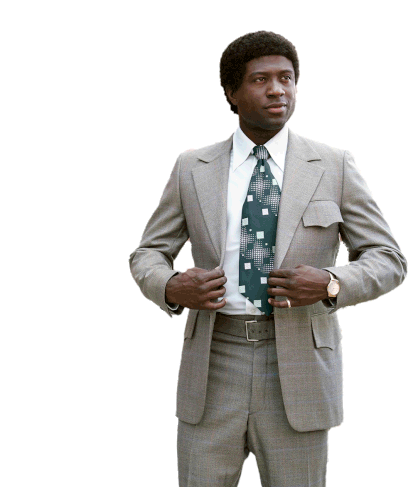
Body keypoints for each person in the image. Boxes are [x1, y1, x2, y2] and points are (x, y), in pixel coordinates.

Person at [129, 31, 406, 487]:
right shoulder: (192, 167)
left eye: (286, 78)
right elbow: (149, 253)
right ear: (231, 93)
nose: (278, 90)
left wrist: (331, 282)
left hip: (298, 368)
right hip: (214, 363)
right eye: (261, 79)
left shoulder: (334, 165)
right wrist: (170, 286)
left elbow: (388, 258)